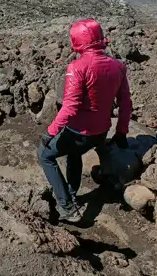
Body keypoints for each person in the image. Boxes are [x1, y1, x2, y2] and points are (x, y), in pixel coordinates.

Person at [37, 18, 132, 223]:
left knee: (44, 155)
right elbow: (125, 102)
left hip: (79, 132)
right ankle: (71, 194)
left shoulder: (77, 67)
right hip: (101, 131)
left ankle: (67, 207)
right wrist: (121, 131)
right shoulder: (118, 66)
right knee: (74, 154)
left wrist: (50, 132)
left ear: (77, 41)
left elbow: (70, 106)